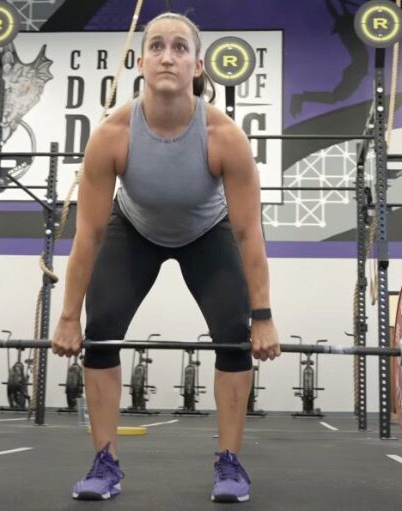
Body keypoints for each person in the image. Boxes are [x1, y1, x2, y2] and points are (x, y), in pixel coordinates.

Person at [50, 11, 281, 504]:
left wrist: (262, 317)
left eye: (179, 48)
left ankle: (230, 463)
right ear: (140, 61)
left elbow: (248, 233)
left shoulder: (225, 138)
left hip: (208, 232)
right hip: (133, 229)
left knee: (234, 339)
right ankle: (105, 462)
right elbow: (88, 233)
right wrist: (69, 317)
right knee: (102, 331)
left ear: (198, 65)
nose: (167, 56)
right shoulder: (112, 134)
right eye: (157, 46)